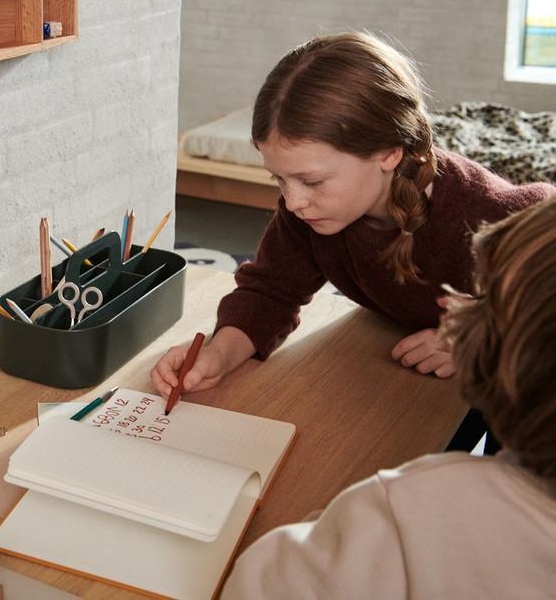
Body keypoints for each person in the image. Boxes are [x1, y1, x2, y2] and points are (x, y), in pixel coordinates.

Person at [152, 32, 553, 448]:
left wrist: (489, 333)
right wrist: (220, 351)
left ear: (389, 153)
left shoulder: (489, 213)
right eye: (279, 179)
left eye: (311, 180)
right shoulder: (305, 211)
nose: (293, 201)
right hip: (409, 384)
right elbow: (270, 291)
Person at [220, 195, 556, 599]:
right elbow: (269, 286)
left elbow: (255, 584)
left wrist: (340, 521)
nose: (295, 200)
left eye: (484, 304)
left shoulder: (423, 504)